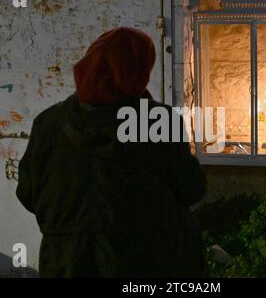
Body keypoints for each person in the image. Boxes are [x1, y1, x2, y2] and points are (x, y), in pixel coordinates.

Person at [16, 27, 207, 278]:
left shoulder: (49, 122)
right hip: (141, 261)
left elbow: (28, 192)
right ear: (138, 72)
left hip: (66, 262)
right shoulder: (157, 122)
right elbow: (191, 189)